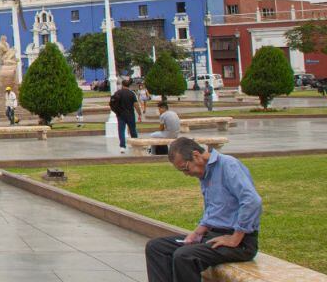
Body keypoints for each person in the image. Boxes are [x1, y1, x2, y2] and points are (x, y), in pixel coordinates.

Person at [144, 137, 261, 281]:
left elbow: (252, 201)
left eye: (185, 168)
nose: (186, 174)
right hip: (213, 235)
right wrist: (197, 232)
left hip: (241, 243)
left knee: (185, 256)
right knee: (156, 247)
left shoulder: (228, 165)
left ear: (196, 155)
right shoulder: (205, 173)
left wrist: (235, 238)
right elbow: (215, 209)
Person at [110, 78, 139, 153]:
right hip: (130, 114)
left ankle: (122, 146)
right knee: (133, 130)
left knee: (121, 130)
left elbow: (112, 103)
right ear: (129, 85)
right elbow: (136, 105)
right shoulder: (131, 93)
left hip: (120, 115)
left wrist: (116, 112)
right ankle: (135, 144)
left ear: (122, 85)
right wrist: (139, 113)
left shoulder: (117, 93)